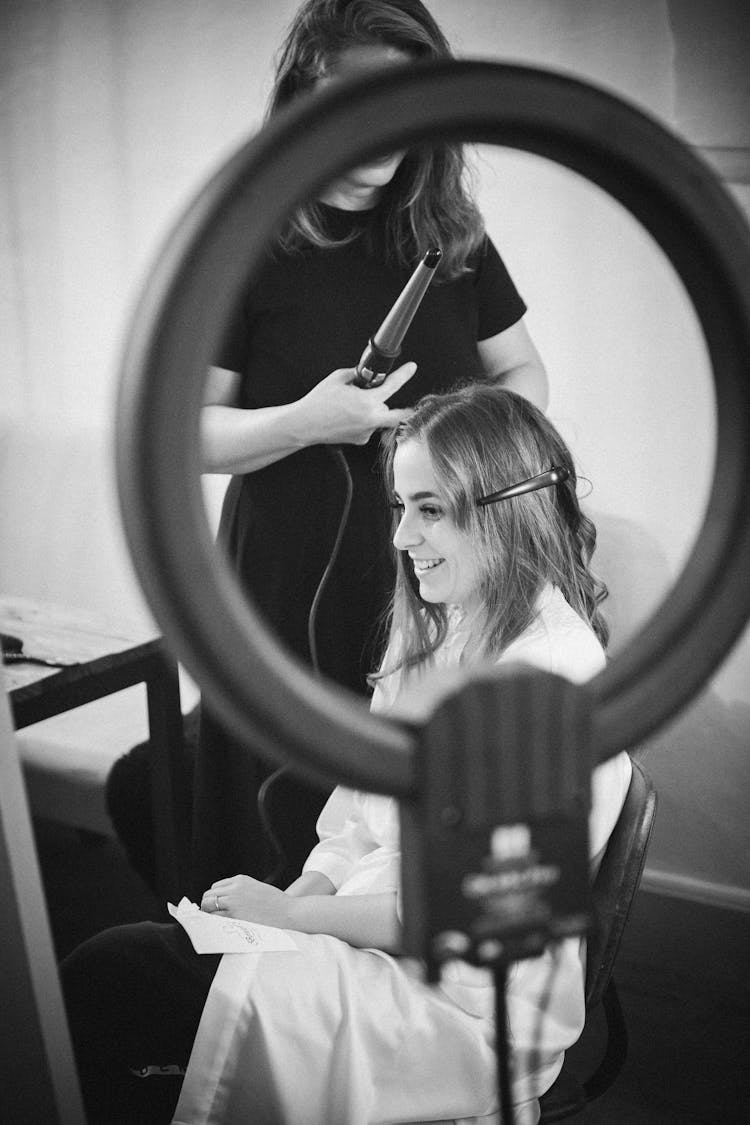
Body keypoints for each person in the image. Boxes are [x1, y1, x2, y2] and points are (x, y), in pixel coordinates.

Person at [62, 383, 632, 1125]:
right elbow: (358, 816)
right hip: (371, 932)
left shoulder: (547, 681)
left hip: (457, 999)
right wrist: (301, 895)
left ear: (506, 508)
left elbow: (462, 913)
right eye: (401, 507)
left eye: (430, 509)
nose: (401, 537)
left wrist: (292, 921)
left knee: (109, 984)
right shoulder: (438, 626)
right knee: (118, 977)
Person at [106, 0, 548, 896]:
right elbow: (182, 432)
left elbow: (525, 375)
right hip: (285, 576)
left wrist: (474, 472)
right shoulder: (246, 244)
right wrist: (304, 422)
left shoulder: (448, 239)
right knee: (274, 816)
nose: (383, 139)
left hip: (436, 575)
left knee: (398, 829)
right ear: (305, 97)